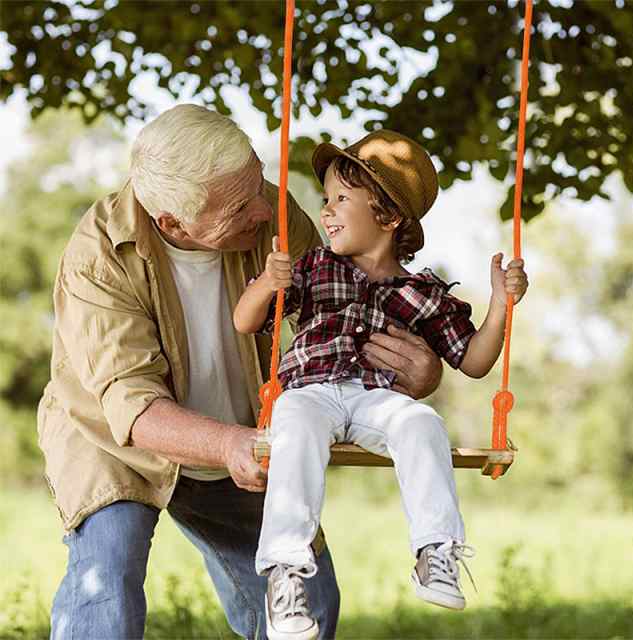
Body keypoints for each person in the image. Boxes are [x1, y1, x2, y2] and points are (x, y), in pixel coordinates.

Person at [38, 106, 444, 640]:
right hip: (117, 448)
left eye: (258, 182)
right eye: (239, 205)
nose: (262, 208)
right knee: (105, 588)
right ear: (174, 224)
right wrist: (230, 444)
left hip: (243, 435)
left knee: (309, 602)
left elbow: (337, 320)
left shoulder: (271, 216)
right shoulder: (98, 255)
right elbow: (131, 406)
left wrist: (411, 371)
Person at [234, 129, 529, 639]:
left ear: (389, 218)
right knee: (295, 427)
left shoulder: (424, 293)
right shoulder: (314, 267)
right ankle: (285, 573)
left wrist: (501, 305)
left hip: (377, 401)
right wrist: (267, 283)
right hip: (310, 392)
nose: (326, 211)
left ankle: (436, 551)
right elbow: (245, 320)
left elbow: (475, 361)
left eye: (341, 199)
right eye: (326, 199)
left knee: (421, 422)